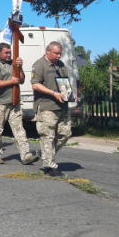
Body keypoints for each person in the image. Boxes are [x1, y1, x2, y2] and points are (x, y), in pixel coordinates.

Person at [0, 43, 39, 165]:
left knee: (19, 129)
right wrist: (10, 81)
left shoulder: (13, 64)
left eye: (9, 52)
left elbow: (21, 80)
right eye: (6, 52)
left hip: (14, 102)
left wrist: (20, 67)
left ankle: (25, 155)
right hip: (0, 103)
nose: (8, 55)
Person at [31, 41, 73, 177]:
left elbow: (64, 83)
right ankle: (49, 165)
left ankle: (45, 153)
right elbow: (35, 85)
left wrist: (70, 95)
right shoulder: (39, 64)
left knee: (65, 134)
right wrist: (53, 93)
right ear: (48, 51)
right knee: (48, 136)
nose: (59, 56)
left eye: (60, 53)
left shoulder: (61, 65)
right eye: (56, 53)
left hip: (62, 106)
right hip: (46, 106)